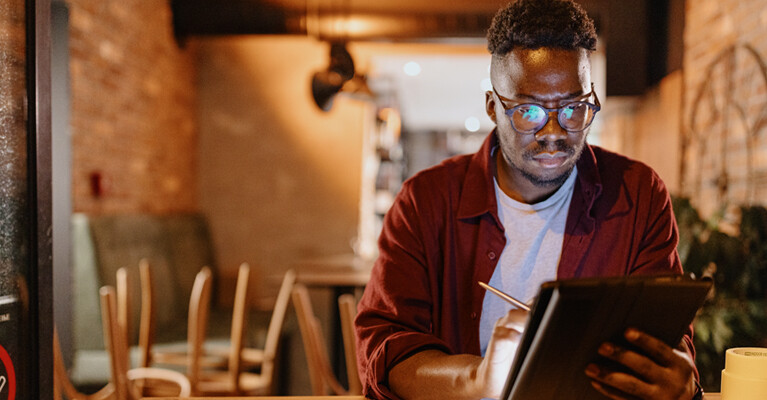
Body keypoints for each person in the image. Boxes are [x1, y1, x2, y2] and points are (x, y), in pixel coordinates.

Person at [354, 0, 703, 399]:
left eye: (574, 108)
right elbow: (385, 349)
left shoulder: (638, 195)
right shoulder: (426, 202)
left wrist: (679, 381)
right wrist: (478, 380)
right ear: (492, 107)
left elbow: (669, 346)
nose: (553, 131)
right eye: (529, 112)